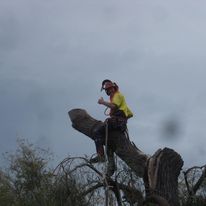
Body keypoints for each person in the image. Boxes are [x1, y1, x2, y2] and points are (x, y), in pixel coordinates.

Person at [90, 79, 133, 176]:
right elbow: (130, 114)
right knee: (108, 143)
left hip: (116, 122)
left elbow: (113, 106)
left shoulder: (118, 95)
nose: (108, 91)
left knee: (97, 131)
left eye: (109, 90)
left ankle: (100, 156)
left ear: (112, 88)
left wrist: (102, 102)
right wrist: (123, 119)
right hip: (119, 123)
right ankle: (111, 167)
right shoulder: (119, 98)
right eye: (107, 90)